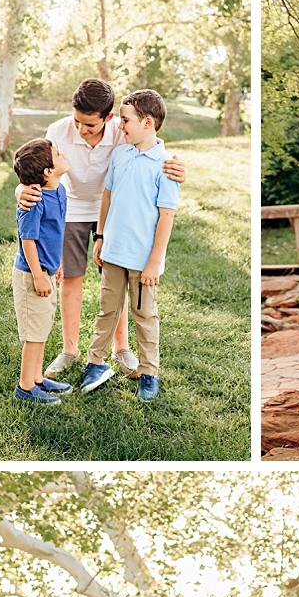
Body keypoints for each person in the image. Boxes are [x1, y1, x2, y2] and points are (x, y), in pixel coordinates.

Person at [16, 78, 186, 378]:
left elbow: (151, 151)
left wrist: (178, 167)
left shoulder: (123, 132)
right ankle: (70, 349)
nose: (81, 129)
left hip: (115, 213)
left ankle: (121, 349)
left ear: (108, 118)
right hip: (70, 211)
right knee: (71, 279)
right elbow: (37, 169)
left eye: (90, 125)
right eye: (77, 121)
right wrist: (20, 192)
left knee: (115, 285)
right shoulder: (57, 131)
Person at [78, 90, 177, 403]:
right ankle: (94, 363)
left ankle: (149, 373)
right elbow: (107, 197)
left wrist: (154, 262)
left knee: (144, 314)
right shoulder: (121, 155)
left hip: (142, 259)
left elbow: (166, 217)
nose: (120, 126)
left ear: (147, 123)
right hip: (113, 253)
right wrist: (101, 237)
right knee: (107, 310)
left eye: (125, 120)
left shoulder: (166, 165)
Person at [9, 138, 76, 405]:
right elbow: (28, 240)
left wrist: (55, 264)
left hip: (47, 270)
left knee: (42, 328)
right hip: (31, 275)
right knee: (34, 335)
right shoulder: (33, 199)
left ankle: (37, 378)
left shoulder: (58, 191)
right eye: (58, 154)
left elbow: (53, 234)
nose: (63, 155)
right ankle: (26, 388)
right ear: (47, 171)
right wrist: (38, 275)